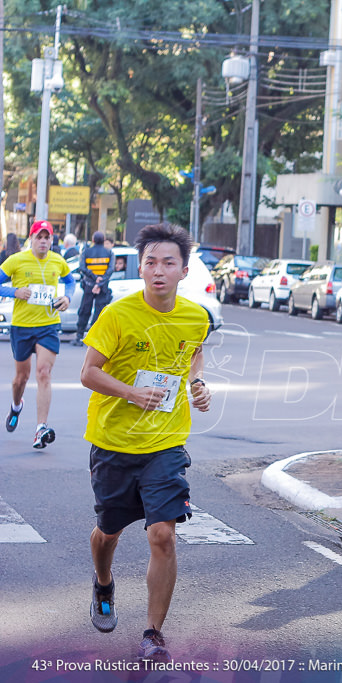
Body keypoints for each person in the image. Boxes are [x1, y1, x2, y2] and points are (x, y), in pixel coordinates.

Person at [80, 222, 212, 663]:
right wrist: (133, 393)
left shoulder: (196, 316)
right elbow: (88, 373)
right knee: (109, 533)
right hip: (114, 440)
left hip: (166, 442)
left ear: (184, 270)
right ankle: (103, 583)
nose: (158, 270)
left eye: (168, 263)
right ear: (140, 267)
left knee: (163, 535)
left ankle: (153, 633)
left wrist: (197, 384)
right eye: (150, 262)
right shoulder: (117, 314)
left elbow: (193, 354)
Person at [0, 220, 75, 448]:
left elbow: (70, 282)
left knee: (43, 373)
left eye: (47, 237)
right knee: (20, 379)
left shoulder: (58, 261)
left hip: (48, 326)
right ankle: (16, 406)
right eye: (39, 237)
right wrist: (15, 291)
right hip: (22, 327)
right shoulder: (16, 260)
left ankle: (40, 428)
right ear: (31, 239)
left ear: (52, 240)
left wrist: (67, 298)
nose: (43, 241)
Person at [72, 231, 115, 347]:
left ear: (93, 240)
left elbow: (82, 268)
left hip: (89, 285)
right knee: (99, 312)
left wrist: (94, 278)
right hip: (102, 287)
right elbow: (110, 270)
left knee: (84, 310)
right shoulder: (109, 253)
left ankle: (79, 336)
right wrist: (100, 281)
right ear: (104, 240)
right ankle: (94, 337)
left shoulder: (86, 252)